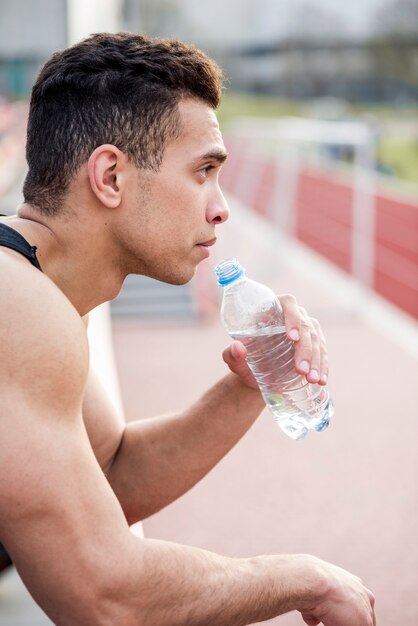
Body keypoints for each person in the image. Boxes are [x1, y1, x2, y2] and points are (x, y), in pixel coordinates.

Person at [0, 32, 375, 626]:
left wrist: (248, 385)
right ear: (111, 177)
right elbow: (103, 594)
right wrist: (307, 579)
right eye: (203, 171)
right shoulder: (16, 306)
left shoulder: (35, 287)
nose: (221, 206)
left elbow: (111, 472)